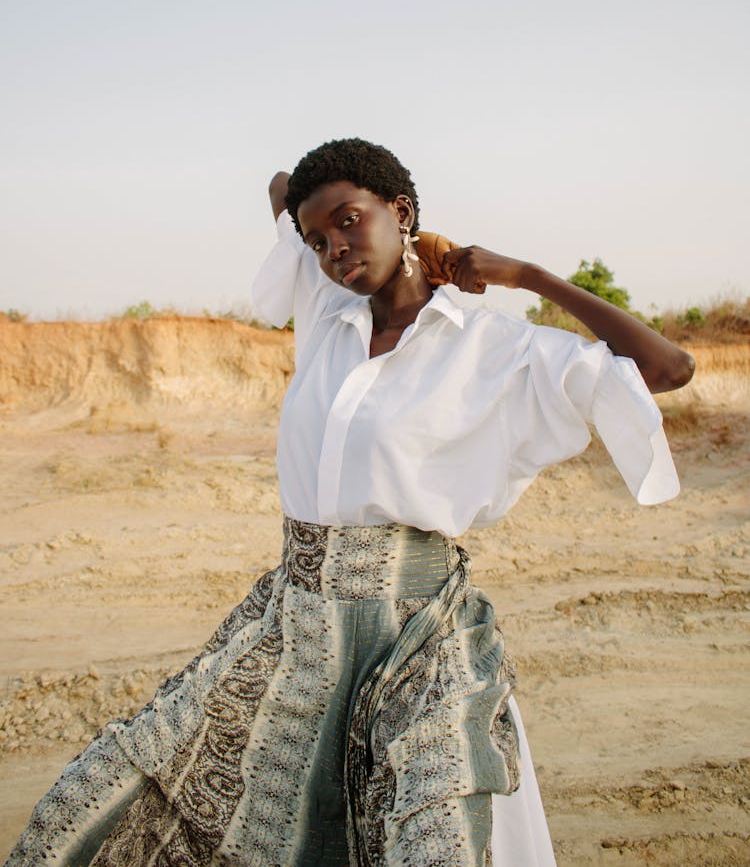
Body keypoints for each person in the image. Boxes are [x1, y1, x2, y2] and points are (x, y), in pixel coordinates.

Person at [6, 137, 694, 867]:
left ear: (399, 210)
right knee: (112, 794)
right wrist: (349, 224)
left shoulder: (494, 346)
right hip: (293, 622)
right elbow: (281, 183)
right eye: (315, 237)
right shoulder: (324, 304)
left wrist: (524, 273)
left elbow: (666, 367)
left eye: (348, 220)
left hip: (415, 639)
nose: (332, 247)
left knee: (431, 841)